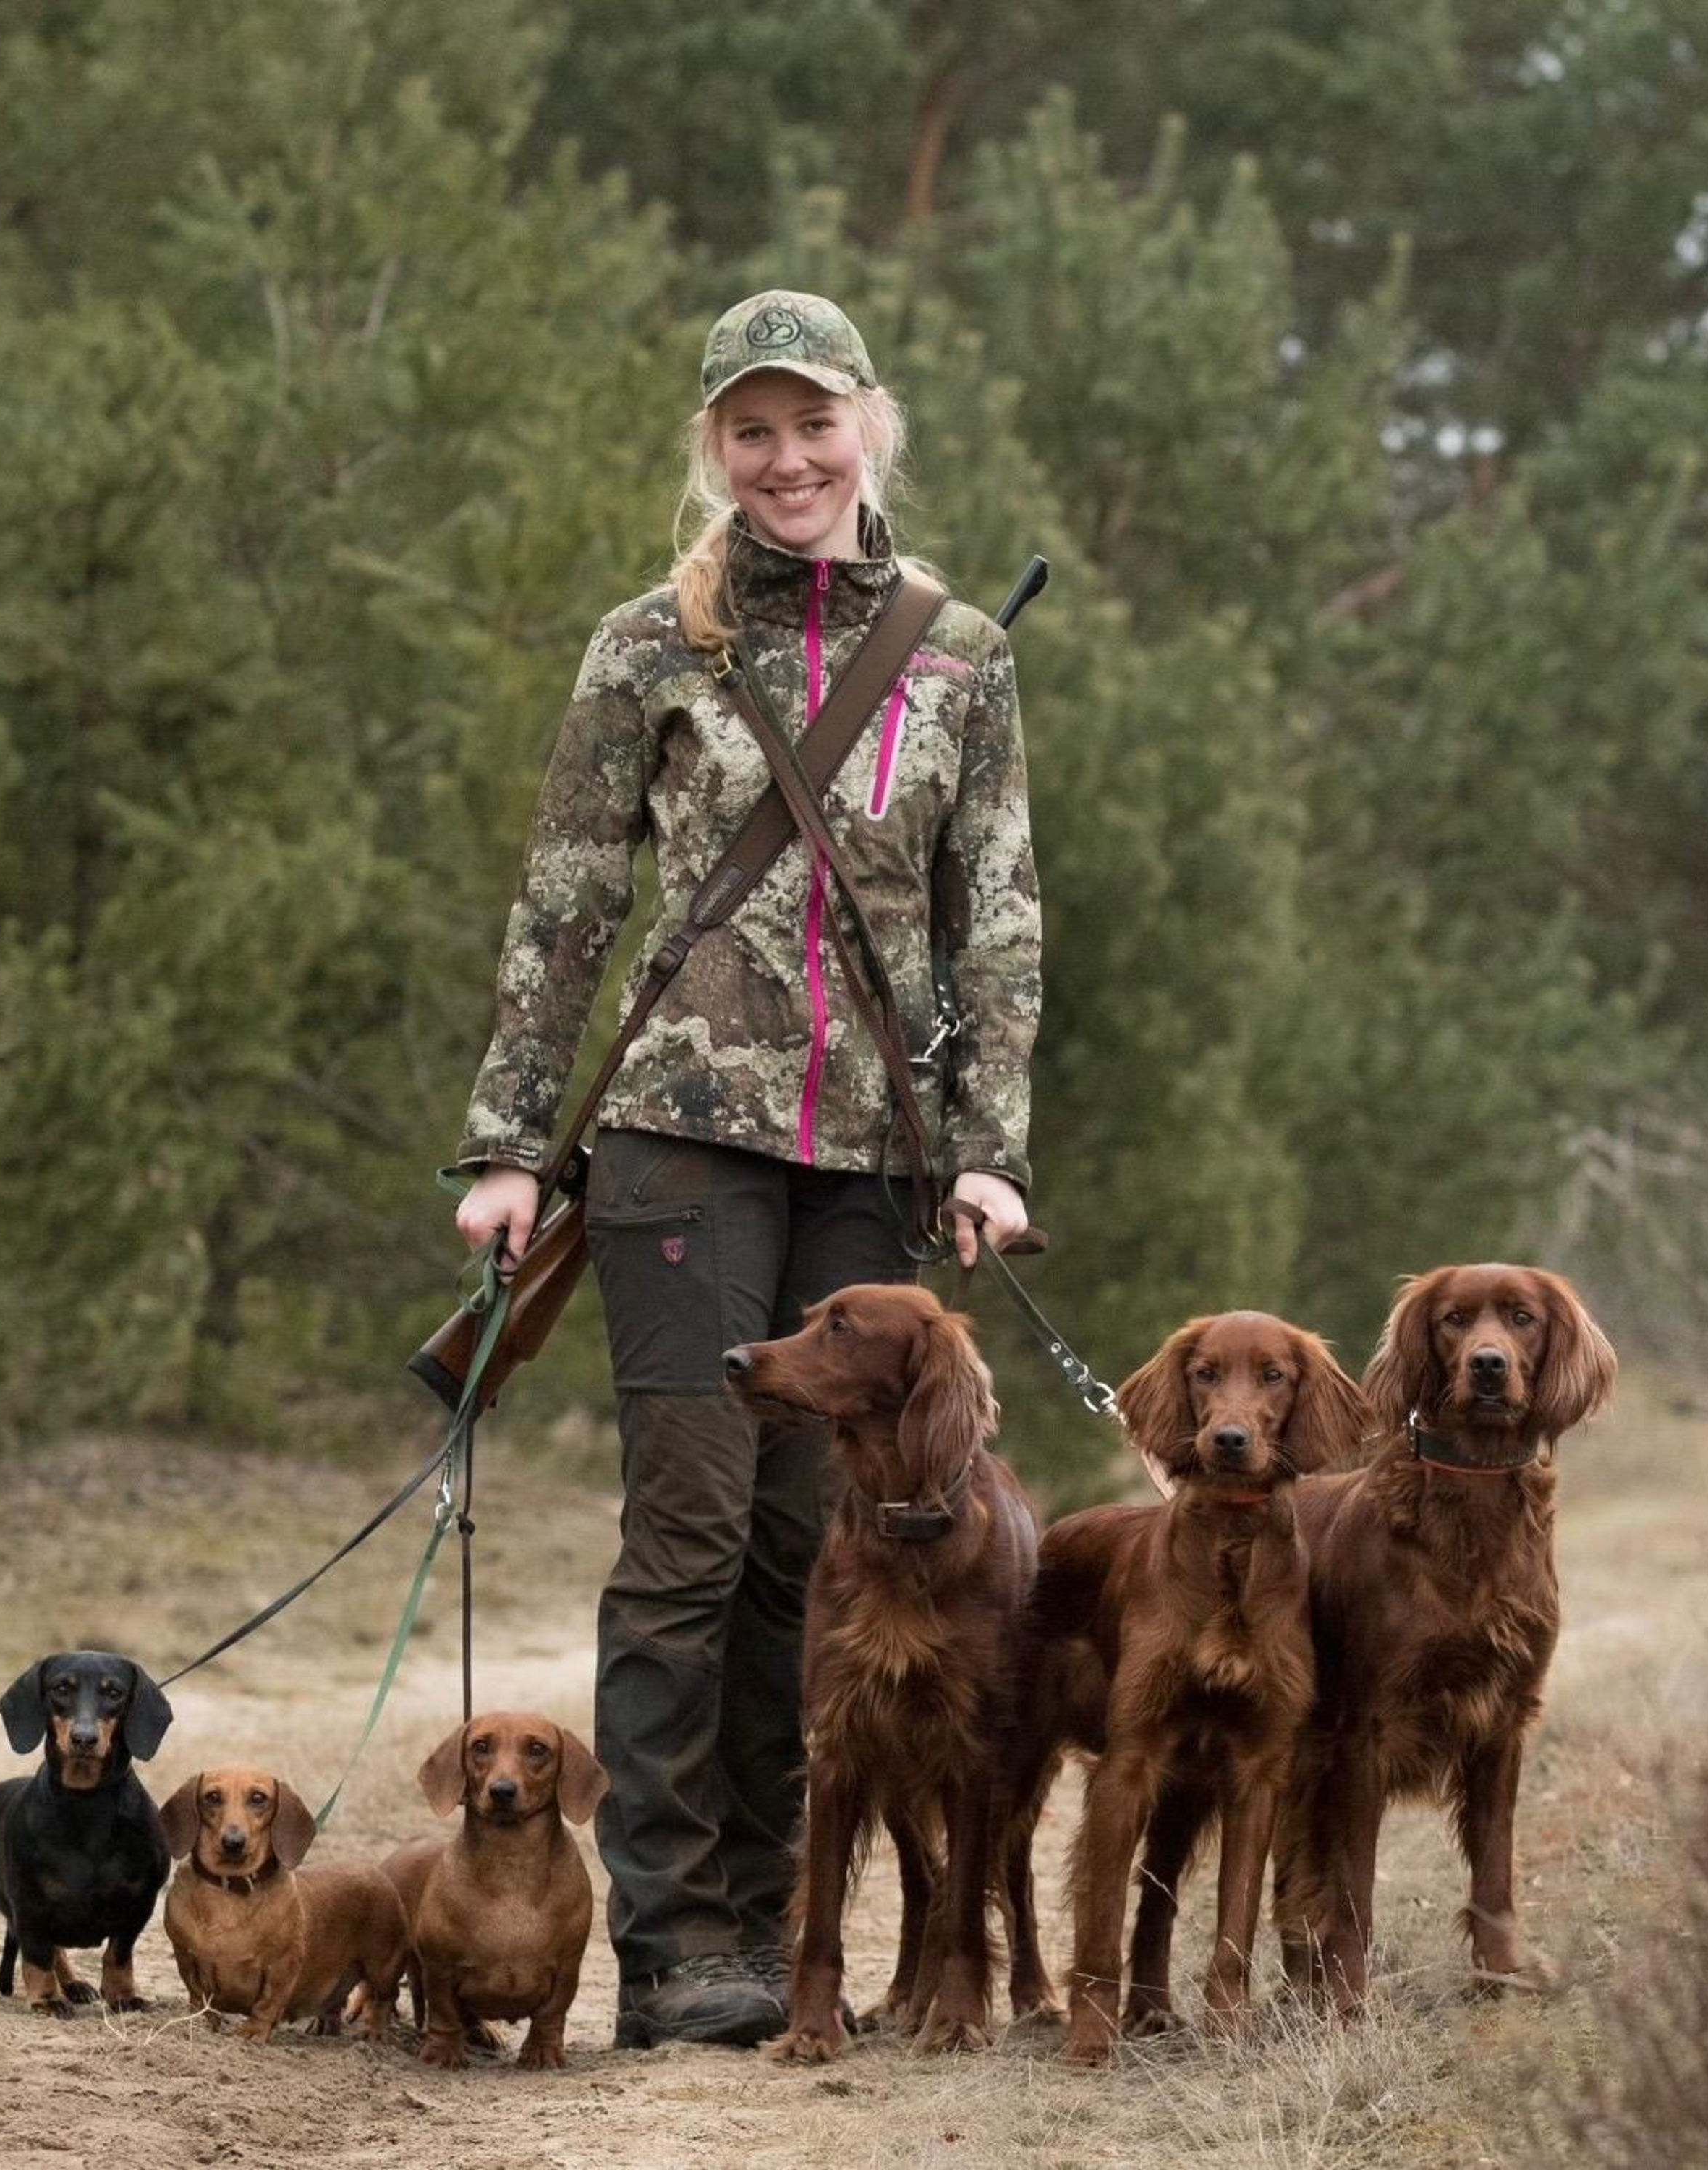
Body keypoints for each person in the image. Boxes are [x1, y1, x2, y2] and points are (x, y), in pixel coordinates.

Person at [452, 289, 1041, 2049]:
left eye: (814, 424)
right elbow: (563, 903)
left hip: (877, 1163)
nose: (787, 460)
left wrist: (991, 1153)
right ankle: (672, 1933)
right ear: (716, 448)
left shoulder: (963, 658)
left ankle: (792, 1918)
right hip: (676, 1150)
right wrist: (504, 1141)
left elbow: (995, 922)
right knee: (693, 1537)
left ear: (870, 425)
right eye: (751, 431)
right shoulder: (652, 645)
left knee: (823, 1552)